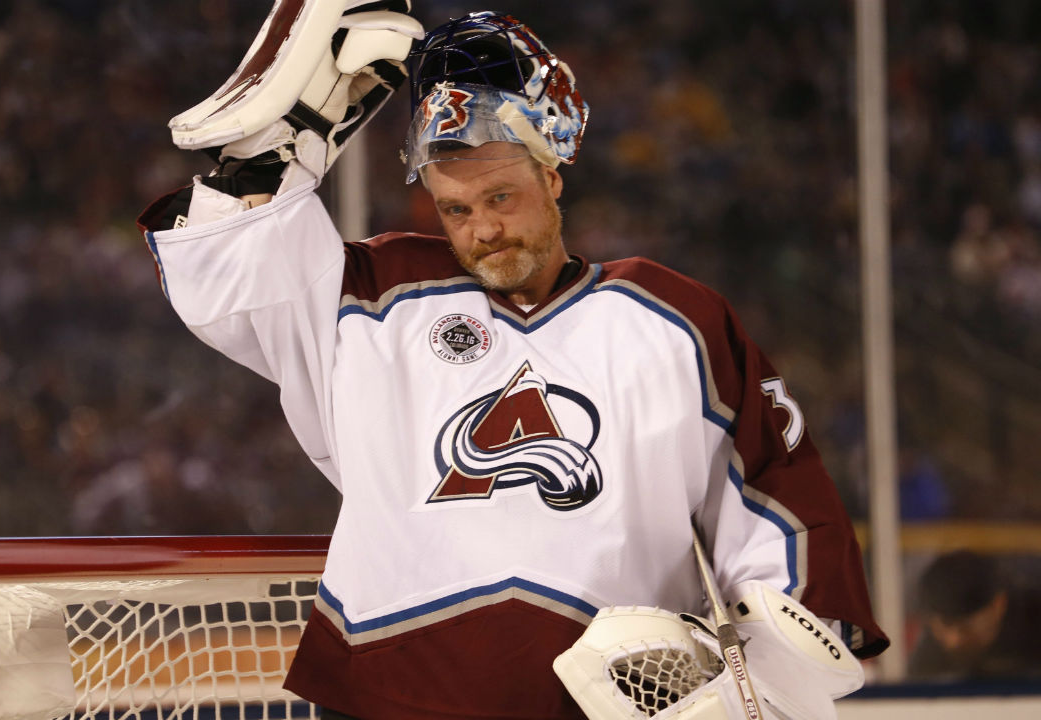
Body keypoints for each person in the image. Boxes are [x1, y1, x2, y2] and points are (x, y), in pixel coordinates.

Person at [137, 8, 888, 718]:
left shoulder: (675, 318)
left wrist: (762, 675)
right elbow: (225, 279)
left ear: (553, 175)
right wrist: (283, 146)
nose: (484, 229)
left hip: (600, 705)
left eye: (502, 196)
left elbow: (776, 493)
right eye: (456, 210)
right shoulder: (366, 294)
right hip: (384, 698)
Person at [908, 549, 1041, 681]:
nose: (954, 640)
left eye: (966, 626)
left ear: (998, 606)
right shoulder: (929, 658)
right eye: (945, 624)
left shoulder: (1034, 627)